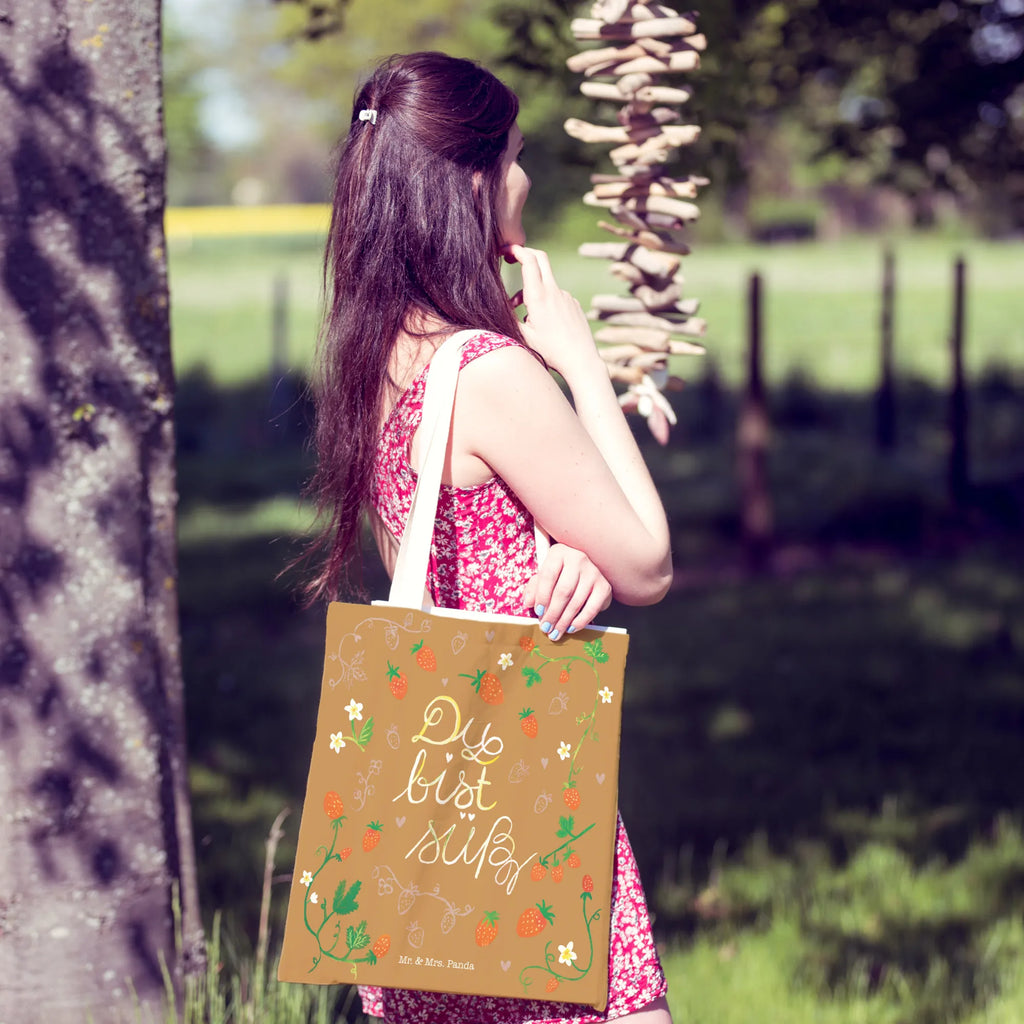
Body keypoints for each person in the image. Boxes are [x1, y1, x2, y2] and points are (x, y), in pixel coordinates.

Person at [303, 51, 674, 1024]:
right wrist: (581, 362)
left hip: (426, 839)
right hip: (522, 814)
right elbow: (648, 561)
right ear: (470, 181)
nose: (524, 178)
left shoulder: (375, 356)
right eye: (511, 156)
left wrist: (557, 555)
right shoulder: (490, 372)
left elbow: (433, 556)